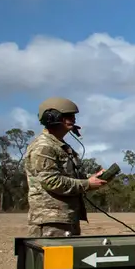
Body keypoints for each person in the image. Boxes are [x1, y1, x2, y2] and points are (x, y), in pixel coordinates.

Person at [22, 96, 110, 237]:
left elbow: (70, 176)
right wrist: (87, 184)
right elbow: (51, 181)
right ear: (52, 117)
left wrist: (92, 178)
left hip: (65, 219)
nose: (73, 120)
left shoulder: (59, 145)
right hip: (51, 221)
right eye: (68, 116)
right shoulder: (43, 147)